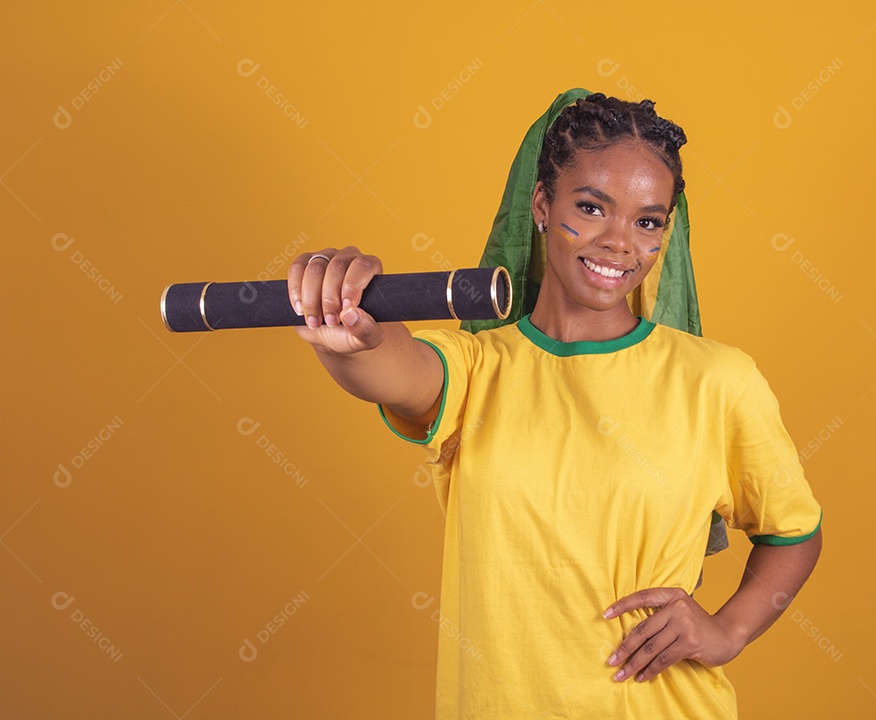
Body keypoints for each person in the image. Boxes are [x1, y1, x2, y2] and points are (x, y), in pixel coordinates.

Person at [288, 89, 822, 719]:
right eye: (592, 207)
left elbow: (794, 533)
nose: (621, 242)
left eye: (648, 221)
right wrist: (347, 333)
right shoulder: (479, 369)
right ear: (541, 205)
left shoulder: (719, 381)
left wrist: (728, 630)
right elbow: (389, 366)